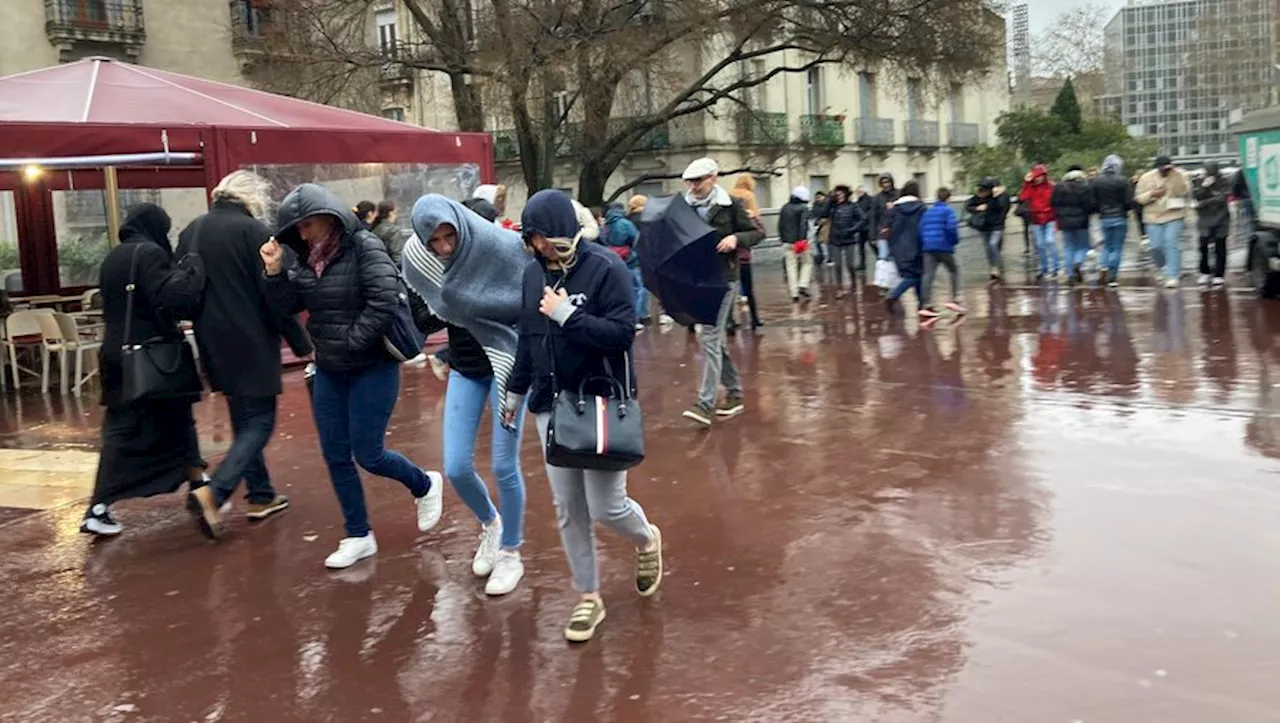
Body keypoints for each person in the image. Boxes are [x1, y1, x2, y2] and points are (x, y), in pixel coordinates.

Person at [503, 189, 662, 643]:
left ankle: (646, 538)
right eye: (531, 240)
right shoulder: (532, 275)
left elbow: (620, 336)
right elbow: (528, 338)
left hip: (599, 404)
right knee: (568, 509)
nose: (538, 248)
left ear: (562, 231)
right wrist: (515, 391)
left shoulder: (606, 267)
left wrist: (567, 314)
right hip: (550, 406)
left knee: (607, 507)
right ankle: (588, 596)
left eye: (542, 238)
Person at [260, 183, 443, 569]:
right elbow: (289, 305)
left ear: (329, 218)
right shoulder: (305, 259)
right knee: (335, 454)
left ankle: (424, 484)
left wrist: (351, 342)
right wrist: (274, 273)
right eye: (298, 227)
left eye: (308, 225)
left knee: (369, 453)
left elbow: (382, 300)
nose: (303, 233)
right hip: (330, 369)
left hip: (372, 366)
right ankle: (358, 534)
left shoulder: (365, 246)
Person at [403, 195, 528, 595]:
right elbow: (423, 318)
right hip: (466, 367)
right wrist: (443, 298)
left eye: (448, 237)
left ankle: (511, 552)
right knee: (455, 466)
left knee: (505, 466)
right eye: (434, 240)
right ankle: (491, 525)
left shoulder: (501, 249)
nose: (443, 247)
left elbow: (525, 302)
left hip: (507, 363)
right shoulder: (421, 262)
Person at [80, 204, 207, 536]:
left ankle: (198, 483)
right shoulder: (149, 254)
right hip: (149, 356)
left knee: (142, 425)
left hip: (116, 355)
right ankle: (98, 505)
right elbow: (173, 299)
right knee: (156, 422)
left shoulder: (114, 257)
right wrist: (192, 269)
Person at [181, 171, 291, 540]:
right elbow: (273, 294)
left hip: (210, 340)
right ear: (250, 198)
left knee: (244, 419)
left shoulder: (191, 231)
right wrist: (302, 342)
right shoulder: (253, 233)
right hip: (252, 337)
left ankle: (261, 495)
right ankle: (217, 491)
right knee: (261, 422)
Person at [678, 158, 762, 427]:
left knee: (711, 338)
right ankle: (735, 392)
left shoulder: (731, 205)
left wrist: (736, 239)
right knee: (714, 341)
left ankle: (705, 403)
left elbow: (757, 231)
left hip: (725, 279)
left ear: (713, 178)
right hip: (698, 279)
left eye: (698, 181)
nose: (693, 187)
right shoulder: (682, 208)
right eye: (689, 182)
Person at [1135, 155, 1191, 289]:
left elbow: (1184, 191)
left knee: (1171, 242)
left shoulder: (1179, 175)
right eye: (1162, 169)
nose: (1165, 171)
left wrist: (1176, 175)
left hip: (1174, 214)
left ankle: (1173, 275)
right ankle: (1162, 267)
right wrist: (1152, 194)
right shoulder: (1146, 178)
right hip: (1152, 216)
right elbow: (1139, 198)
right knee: (1156, 246)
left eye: (1167, 168)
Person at [918, 187, 965, 319]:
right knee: (954, 269)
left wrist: (925, 242)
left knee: (928, 275)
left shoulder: (928, 211)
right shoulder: (948, 211)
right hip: (943, 246)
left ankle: (926, 303)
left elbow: (920, 229)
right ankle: (955, 298)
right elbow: (951, 228)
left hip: (928, 247)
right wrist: (954, 241)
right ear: (948, 198)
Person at [601, 203, 648, 328]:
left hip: (615, 258)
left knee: (627, 288)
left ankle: (628, 317)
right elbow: (637, 239)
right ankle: (637, 317)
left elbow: (602, 240)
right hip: (631, 259)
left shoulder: (606, 225)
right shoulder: (625, 223)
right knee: (641, 287)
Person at [884, 181, 927, 311]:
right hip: (916, 245)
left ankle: (921, 303)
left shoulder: (894, 209)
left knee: (915, 275)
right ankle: (894, 294)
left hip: (898, 246)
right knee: (915, 275)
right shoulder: (921, 208)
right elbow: (923, 227)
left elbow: (888, 227)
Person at [728, 175, 763, 333]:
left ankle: (729, 322)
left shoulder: (728, 196)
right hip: (743, 256)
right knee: (748, 289)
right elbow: (759, 230)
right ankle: (755, 319)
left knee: (729, 291)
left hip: (727, 257)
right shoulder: (749, 197)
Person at [1093, 154, 1133, 288]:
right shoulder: (1123, 180)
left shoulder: (1097, 181)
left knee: (1107, 245)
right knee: (1117, 247)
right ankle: (1112, 276)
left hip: (1104, 217)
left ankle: (1104, 265)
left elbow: (1094, 201)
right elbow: (1128, 202)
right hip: (1120, 216)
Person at [1051, 164, 1096, 285]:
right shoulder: (1085, 186)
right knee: (1084, 246)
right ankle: (1078, 262)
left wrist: (1060, 214)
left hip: (1064, 221)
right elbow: (1090, 205)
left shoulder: (1059, 187)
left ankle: (1070, 274)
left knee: (1068, 247)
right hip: (1081, 221)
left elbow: (1053, 203)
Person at [1193, 160, 1232, 287]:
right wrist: (1205, 186)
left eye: (1212, 170)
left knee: (1220, 245)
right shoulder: (1199, 180)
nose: (1210, 173)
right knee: (1203, 245)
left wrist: (1204, 203)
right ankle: (1204, 272)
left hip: (1221, 217)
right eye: (1207, 170)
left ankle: (1219, 275)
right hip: (1204, 218)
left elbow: (1222, 198)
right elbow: (1196, 196)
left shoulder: (1224, 181)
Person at [965, 177, 1010, 283]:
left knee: (993, 245)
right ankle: (993, 268)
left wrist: (995, 197)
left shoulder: (1002, 196)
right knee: (989, 248)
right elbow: (968, 206)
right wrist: (977, 208)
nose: (983, 191)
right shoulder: (979, 196)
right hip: (984, 226)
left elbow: (1003, 207)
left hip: (997, 226)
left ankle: (998, 267)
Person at [1018, 165, 1058, 279]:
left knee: (1049, 241)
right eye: (1036, 176)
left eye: (1040, 176)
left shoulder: (1051, 186)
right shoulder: (1031, 187)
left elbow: (1056, 201)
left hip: (1050, 217)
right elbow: (1022, 198)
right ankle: (1043, 268)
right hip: (1036, 219)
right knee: (1039, 245)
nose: (1038, 178)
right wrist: (1026, 183)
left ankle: (1054, 268)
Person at [828, 185, 867, 297]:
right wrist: (830, 200)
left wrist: (853, 229)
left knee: (850, 264)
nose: (839, 196)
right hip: (835, 238)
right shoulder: (832, 206)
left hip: (849, 238)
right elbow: (823, 213)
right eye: (837, 194)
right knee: (837, 265)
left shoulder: (853, 206)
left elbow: (863, 218)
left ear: (846, 194)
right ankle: (839, 288)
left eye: (841, 194)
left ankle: (854, 284)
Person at [778, 186, 813, 302]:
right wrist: (802, 239)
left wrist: (783, 239)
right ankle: (803, 284)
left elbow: (780, 225)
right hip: (800, 242)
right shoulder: (804, 208)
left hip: (787, 242)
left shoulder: (785, 207)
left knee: (790, 267)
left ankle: (794, 293)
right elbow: (803, 225)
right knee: (807, 262)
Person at [855, 186, 875, 270]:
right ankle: (862, 264)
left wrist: (864, 217)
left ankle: (879, 260)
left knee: (872, 244)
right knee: (861, 247)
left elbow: (871, 212)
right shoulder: (858, 202)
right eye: (857, 192)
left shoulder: (870, 199)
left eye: (859, 192)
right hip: (861, 227)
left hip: (869, 226)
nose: (857, 194)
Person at [811, 191, 831, 266]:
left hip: (826, 225)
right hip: (818, 225)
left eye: (820, 197)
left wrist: (824, 220)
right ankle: (821, 256)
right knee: (817, 242)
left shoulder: (827, 204)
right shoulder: (815, 205)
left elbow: (829, 214)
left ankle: (830, 257)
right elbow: (813, 214)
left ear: (824, 197)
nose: (818, 199)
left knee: (827, 241)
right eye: (817, 197)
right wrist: (816, 222)